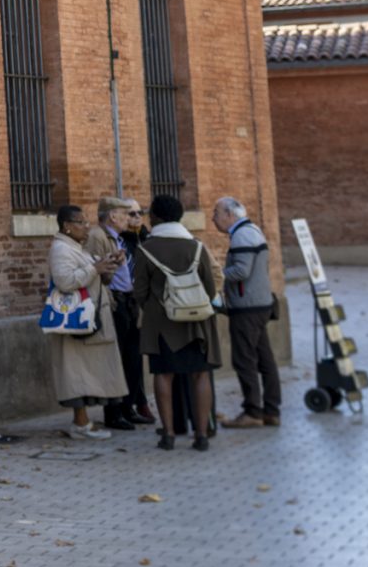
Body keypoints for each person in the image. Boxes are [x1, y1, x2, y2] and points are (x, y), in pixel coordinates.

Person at [135, 192, 222, 451]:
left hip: (162, 322)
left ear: (156, 217)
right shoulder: (196, 246)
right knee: (200, 374)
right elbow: (209, 288)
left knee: (163, 374)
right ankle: (202, 434)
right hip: (197, 321)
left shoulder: (146, 249)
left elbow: (139, 290)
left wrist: (154, 307)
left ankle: (169, 434)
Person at [47, 203, 127, 439]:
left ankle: (83, 423)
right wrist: (95, 268)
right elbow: (65, 281)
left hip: (92, 319)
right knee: (76, 374)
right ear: (67, 226)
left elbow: (98, 274)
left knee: (88, 372)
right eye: (81, 222)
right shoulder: (61, 249)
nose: (86, 226)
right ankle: (80, 424)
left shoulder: (77, 247)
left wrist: (111, 262)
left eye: (86, 221)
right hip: (76, 322)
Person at [86, 195, 153, 430]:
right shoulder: (97, 237)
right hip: (115, 304)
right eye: (125, 214)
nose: (129, 219)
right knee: (117, 360)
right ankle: (113, 412)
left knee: (132, 359)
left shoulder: (117, 238)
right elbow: (94, 273)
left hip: (130, 302)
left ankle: (128, 406)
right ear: (113, 216)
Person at [215, 196, 282, 426]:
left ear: (229, 214)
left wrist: (219, 275)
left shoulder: (242, 235)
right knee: (265, 359)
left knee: (244, 359)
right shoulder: (253, 230)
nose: (215, 219)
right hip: (260, 304)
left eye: (217, 214)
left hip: (247, 307)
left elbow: (242, 271)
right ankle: (271, 410)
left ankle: (253, 412)